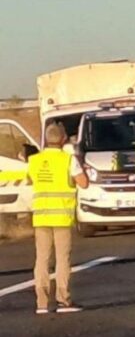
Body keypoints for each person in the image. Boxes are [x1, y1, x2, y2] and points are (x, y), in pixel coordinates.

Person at [28, 123, 89, 314]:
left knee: (42, 259)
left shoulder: (34, 160)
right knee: (62, 259)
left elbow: (31, 180)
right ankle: (63, 299)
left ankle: (42, 302)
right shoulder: (68, 160)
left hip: (41, 217)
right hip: (61, 217)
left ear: (46, 139)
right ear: (63, 140)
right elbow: (84, 183)